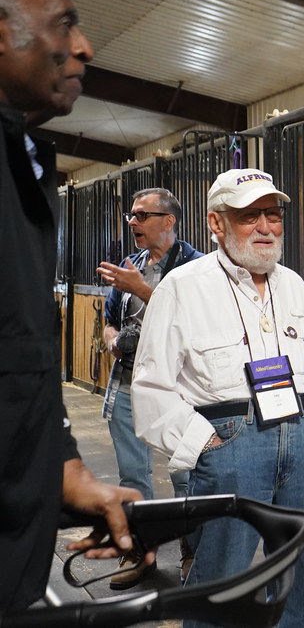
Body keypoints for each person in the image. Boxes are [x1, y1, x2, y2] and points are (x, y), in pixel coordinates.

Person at [131, 168, 304, 628]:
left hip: (301, 441)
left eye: (273, 214)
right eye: (250, 216)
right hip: (230, 445)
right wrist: (206, 446)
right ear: (216, 223)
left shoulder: (294, 286)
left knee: (300, 576)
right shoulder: (182, 288)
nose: (266, 227)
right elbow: (151, 388)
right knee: (220, 582)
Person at [0, 0, 146, 613]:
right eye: (63, 24)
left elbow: (18, 359)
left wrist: (60, 467)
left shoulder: (27, 170)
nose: (84, 47)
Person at [95, 187, 202, 588]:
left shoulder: (196, 267)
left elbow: (193, 322)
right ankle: (141, 554)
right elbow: (109, 316)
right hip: (127, 383)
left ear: (169, 220)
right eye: (132, 216)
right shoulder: (131, 263)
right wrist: (109, 337)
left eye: (142, 215)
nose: (133, 222)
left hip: (180, 389)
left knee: (185, 475)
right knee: (133, 477)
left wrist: (140, 289)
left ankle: (194, 554)